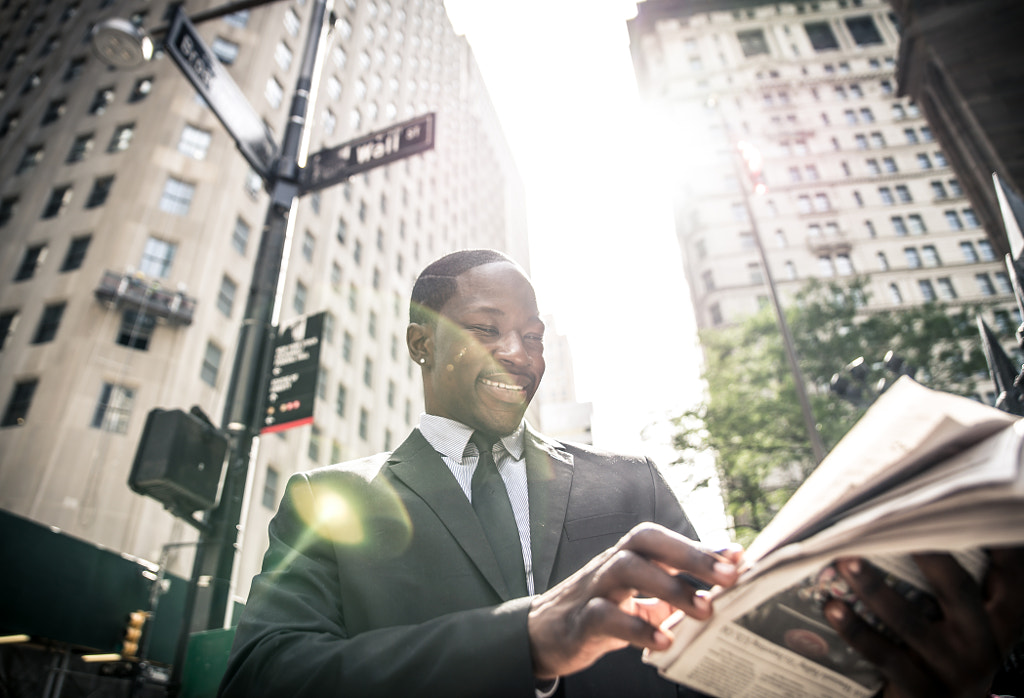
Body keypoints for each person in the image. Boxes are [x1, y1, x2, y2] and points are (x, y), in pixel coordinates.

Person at [219, 249, 1024, 698]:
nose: (518, 353)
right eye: (485, 329)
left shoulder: (631, 483)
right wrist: (527, 638)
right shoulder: (330, 498)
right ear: (420, 344)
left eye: (532, 335)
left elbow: (722, 670)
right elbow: (261, 677)